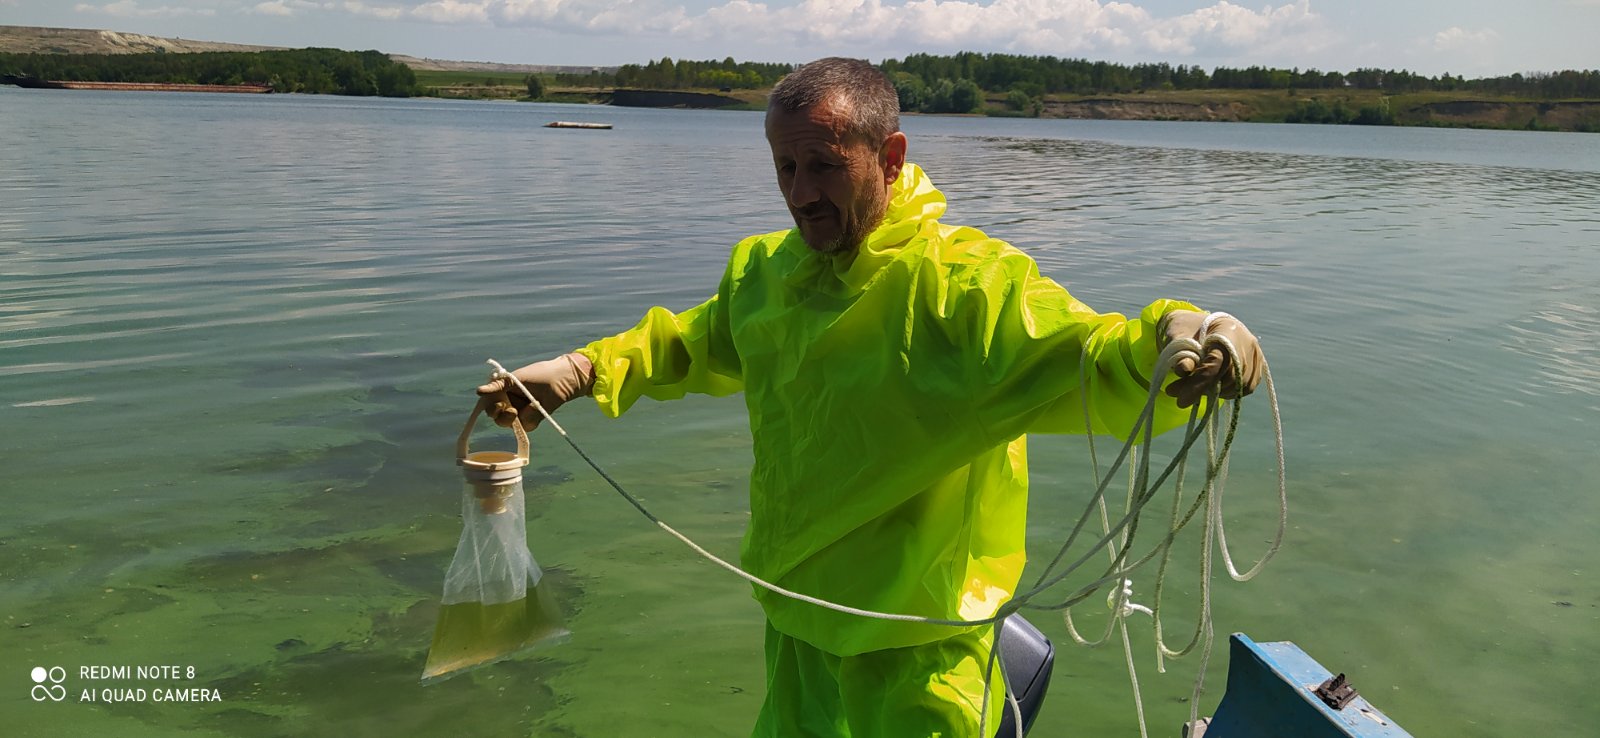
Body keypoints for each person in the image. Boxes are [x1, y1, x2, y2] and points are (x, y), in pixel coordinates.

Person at [478, 57, 1263, 738]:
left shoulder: (960, 289)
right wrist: (582, 370)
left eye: (823, 165)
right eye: (785, 168)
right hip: (797, 623)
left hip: (919, 645)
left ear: (889, 157)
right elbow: (694, 341)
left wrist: (1177, 335)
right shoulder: (768, 274)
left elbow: (1083, 350)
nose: (801, 194)